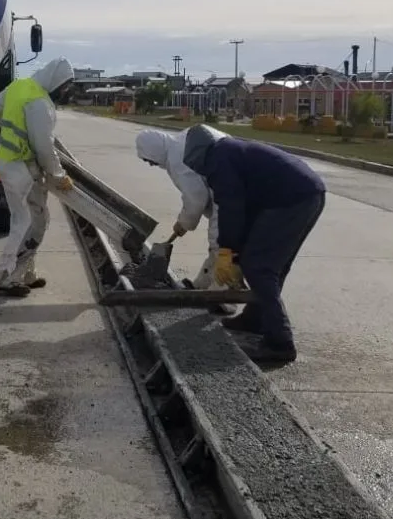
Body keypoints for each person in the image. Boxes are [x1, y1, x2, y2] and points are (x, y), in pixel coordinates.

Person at [182, 127, 326, 363]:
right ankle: (256, 318)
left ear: (198, 157)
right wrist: (236, 254)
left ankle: (280, 343)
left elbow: (231, 209)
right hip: (304, 193)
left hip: (292, 199)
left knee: (260, 267)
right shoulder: (229, 153)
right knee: (267, 265)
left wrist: (227, 252)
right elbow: (245, 214)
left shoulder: (219, 161)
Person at [0, 57, 77, 297]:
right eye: (65, 86)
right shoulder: (40, 103)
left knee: (32, 217)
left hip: (8, 160)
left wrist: (10, 130)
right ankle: (3, 276)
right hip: (21, 166)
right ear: (56, 80)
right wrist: (59, 175)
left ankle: (26, 273)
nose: (65, 91)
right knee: (29, 222)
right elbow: (44, 148)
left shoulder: (20, 86)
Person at [134, 126, 231, 306]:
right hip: (226, 183)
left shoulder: (176, 158)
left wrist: (183, 223)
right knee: (218, 245)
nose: (150, 164)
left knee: (222, 244)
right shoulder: (181, 141)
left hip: (227, 191)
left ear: (154, 150)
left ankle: (224, 298)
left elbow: (196, 198)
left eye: (148, 159)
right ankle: (203, 286)